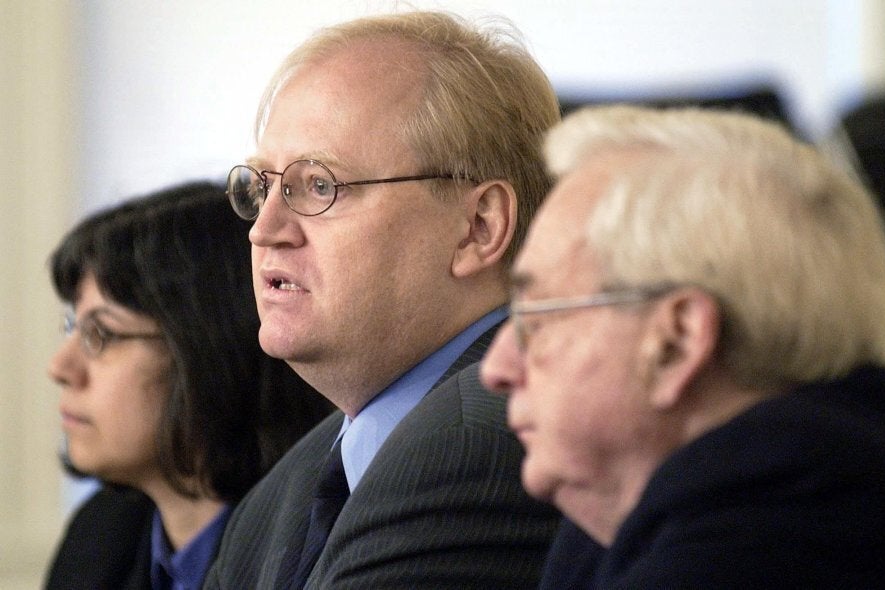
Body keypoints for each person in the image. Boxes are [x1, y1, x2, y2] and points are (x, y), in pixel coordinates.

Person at [205, 10, 561, 590]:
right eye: (262, 186)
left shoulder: (483, 446)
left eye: (319, 186)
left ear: (478, 227)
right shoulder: (282, 495)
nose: (264, 229)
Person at [480, 103, 885, 588]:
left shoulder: (763, 556)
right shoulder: (623, 529)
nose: (497, 367)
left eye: (538, 318)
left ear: (676, 343)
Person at [45, 181, 334, 590]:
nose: (60, 367)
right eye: (74, 328)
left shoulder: (316, 550)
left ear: (205, 350)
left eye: (101, 334)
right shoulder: (101, 536)